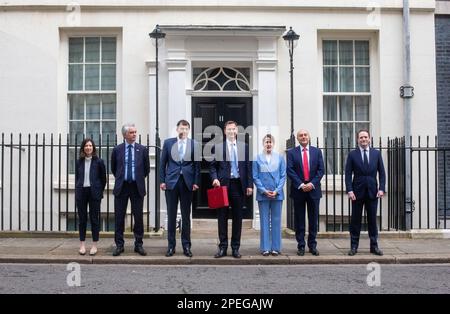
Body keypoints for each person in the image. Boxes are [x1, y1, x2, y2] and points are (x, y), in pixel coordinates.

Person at [209, 121, 253, 258]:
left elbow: (248, 167)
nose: (231, 132)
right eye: (229, 129)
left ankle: (235, 248)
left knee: (237, 217)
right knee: (222, 217)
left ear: (237, 131)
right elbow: (212, 166)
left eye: (233, 129)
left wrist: (250, 185)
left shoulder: (244, 147)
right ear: (224, 131)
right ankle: (222, 247)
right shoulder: (217, 147)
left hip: (238, 185)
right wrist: (214, 178)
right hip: (223, 185)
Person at [160, 120, 200, 257]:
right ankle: (171, 246)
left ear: (189, 130)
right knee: (171, 216)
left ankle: (186, 246)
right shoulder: (168, 143)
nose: (184, 130)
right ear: (177, 129)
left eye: (186, 128)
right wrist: (162, 181)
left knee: (185, 216)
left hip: (187, 183)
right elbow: (162, 163)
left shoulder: (194, 144)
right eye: (181, 128)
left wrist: (196, 182)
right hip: (171, 182)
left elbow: (197, 166)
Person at [111, 123, 150, 256]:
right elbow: (114, 168)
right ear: (125, 135)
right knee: (119, 217)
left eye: (135, 132)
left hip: (136, 186)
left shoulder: (142, 149)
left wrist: (136, 178)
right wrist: (123, 177)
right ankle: (119, 245)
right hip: (122, 187)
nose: (134, 134)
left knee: (138, 217)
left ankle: (138, 244)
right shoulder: (117, 149)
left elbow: (146, 169)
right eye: (131, 132)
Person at [345, 129, 386, 256]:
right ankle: (353, 247)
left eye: (365, 137)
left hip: (373, 193)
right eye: (361, 137)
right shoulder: (352, 154)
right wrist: (350, 190)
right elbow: (347, 174)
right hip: (356, 193)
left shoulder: (376, 154)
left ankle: (374, 247)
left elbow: (382, 173)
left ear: (369, 139)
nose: (363, 139)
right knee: (355, 221)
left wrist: (381, 188)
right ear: (358, 140)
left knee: (373, 221)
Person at [287, 129, 324, 256]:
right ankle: (301, 245)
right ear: (297, 138)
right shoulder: (292, 153)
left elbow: (321, 170)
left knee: (313, 219)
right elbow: (290, 170)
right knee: (299, 219)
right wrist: (301, 184)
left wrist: (311, 184)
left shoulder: (317, 151)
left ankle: (312, 245)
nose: (303, 137)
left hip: (313, 190)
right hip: (299, 190)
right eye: (300, 135)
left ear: (309, 137)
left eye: (305, 135)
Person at [252, 134, 286, 256]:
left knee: (276, 221)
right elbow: (255, 177)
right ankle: (265, 247)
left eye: (270, 142)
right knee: (264, 221)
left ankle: (276, 247)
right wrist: (263, 190)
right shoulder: (257, 159)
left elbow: (283, 176)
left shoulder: (280, 158)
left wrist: (277, 190)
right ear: (263, 143)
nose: (268, 144)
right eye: (266, 142)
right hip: (263, 194)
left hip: (277, 194)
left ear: (273, 144)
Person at [75, 138, 106, 256]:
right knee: (82, 219)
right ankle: (82, 245)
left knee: (94, 219)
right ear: (83, 148)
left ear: (93, 148)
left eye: (90, 146)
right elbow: (78, 177)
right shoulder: (79, 162)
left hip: (94, 193)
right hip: (81, 192)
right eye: (86, 146)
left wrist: (98, 190)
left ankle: (94, 245)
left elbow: (103, 180)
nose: (88, 147)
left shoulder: (99, 162)